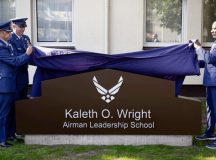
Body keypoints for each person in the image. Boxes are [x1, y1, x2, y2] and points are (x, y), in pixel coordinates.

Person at [0, 20, 32, 147]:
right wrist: (27, 53)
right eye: (8, 32)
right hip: (4, 85)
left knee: (9, 111)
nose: (10, 34)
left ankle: (8, 135)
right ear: (1, 33)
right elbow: (14, 61)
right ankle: (2, 140)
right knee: (3, 113)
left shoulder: (7, 44)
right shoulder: (2, 47)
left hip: (11, 82)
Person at [194, 21, 216, 149]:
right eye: (212, 28)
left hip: (215, 83)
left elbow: (210, 59)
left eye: (215, 29)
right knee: (210, 109)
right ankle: (210, 132)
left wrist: (198, 47)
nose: (213, 31)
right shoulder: (214, 44)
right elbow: (209, 62)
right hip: (210, 82)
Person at [8, 18, 31, 140]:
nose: (22, 29)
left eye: (24, 27)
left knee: (22, 102)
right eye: (20, 27)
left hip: (24, 75)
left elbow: (32, 54)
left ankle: (20, 130)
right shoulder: (10, 39)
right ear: (13, 26)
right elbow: (15, 60)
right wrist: (27, 53)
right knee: (14, 103)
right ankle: (12, 132)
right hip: (15, 76)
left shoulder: (26, 38)